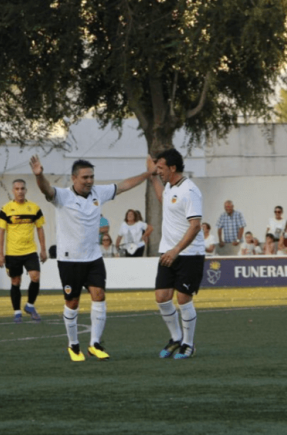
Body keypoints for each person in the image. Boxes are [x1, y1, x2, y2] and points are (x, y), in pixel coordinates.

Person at [30, 153, 153, 361]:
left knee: (99, 296)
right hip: (69, 259)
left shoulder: (98, 192)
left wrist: (148, 173)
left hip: (93, 257)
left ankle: (94, 344)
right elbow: (46, 190)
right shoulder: (63, 196)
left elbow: (124, 186)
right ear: (74, 178)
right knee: (72, 302)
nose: (89, 181)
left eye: (91, 177)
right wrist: (39, 175)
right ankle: (73, 345)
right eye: (85, 177)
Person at [149, 148, 205, 360]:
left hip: (189, 253)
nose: (158, 171)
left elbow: (195, 225)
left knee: (183, 299)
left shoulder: (189, 191)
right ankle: (176, 338)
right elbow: (165, 201)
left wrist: (176, 250)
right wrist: (152, 177)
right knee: (162, 297)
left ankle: (188, 345)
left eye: (161, 168)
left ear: (173, 168)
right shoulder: (169, 186)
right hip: (168, 251)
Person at [0, 179, 48, 323]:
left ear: (26, 190)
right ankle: (17, 312)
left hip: (30, 251)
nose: (20, 191)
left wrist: (43, 249)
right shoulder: (5, 209)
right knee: (15, 281)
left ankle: (30, 306)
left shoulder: (34, 208)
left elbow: (40, 228)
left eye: (22, 188)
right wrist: (0, 254)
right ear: (13, 191)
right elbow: (1, 232)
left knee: (35, 277)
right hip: (12, 252)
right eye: (17, 189)